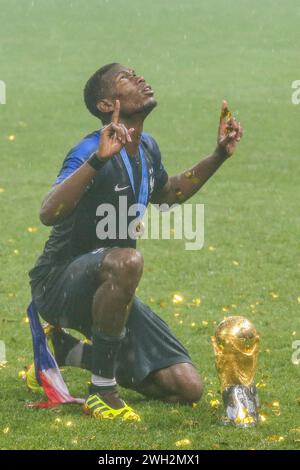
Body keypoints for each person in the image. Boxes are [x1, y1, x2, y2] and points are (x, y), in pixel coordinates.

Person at [28, 63, 243, 421]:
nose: (140, 78)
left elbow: (168, 193)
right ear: (105, 104)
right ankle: (102, 391)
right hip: (57, 283)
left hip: (111, 288)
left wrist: (219, 154)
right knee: (128, 260)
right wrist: (98, 160)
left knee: (186, 387)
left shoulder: (147, 149)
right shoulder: (88, 150)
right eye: (127, 78)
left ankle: (67, 352)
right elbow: (48, 212)